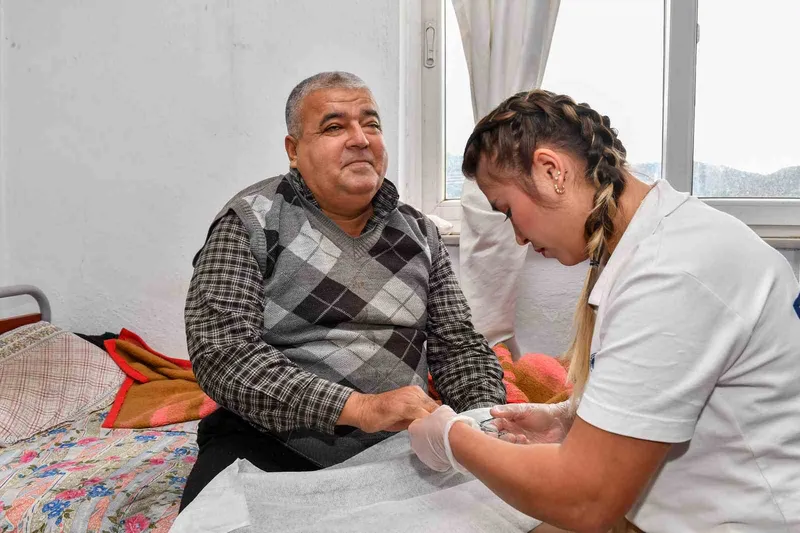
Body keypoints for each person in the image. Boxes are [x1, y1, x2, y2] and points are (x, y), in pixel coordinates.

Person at [408, 89, 800, 532]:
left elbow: (584, 501)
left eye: (508, 211)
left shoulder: (670, 273)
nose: (518, 237)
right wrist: (572, 418)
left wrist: (452, 440)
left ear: (551, 170)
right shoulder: (661, 241)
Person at [180, 71, 506, 511]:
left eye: (371, 124)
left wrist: (484, 422)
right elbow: (222, 353)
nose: (360, 139)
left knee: (509, 510)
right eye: (334, 127)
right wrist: (361, 408)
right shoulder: (250, 222)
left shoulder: (420, 232)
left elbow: (459, 346)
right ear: (294, 150)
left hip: (403, 447)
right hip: (268, 444)